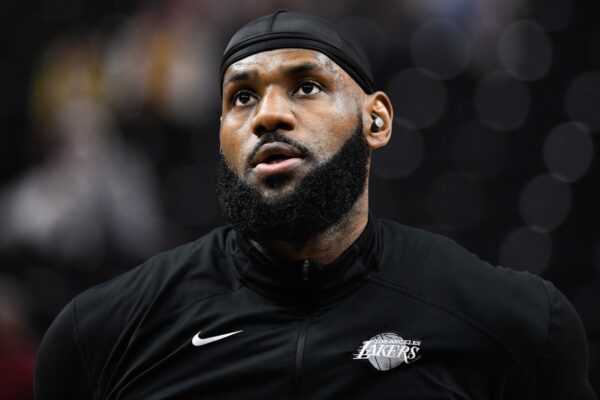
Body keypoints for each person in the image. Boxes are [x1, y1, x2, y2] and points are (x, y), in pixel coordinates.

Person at [35, 10, 597, 399]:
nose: (267, 115)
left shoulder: (511, 323)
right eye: (242, 97)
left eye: (306, 86)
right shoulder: (102, 334)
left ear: (377, 121)